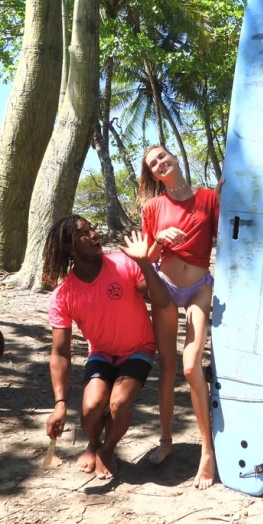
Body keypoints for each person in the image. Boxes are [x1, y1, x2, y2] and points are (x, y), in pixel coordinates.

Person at [43, 215, 170, 480]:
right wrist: (60, 404)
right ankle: (93, 443)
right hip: (101, 353)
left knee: (119, 402)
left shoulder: (123, 263)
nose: (94, 234)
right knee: (90, 408)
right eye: (84, 232)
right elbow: (60, 352)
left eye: (92, 228)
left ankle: (107, 449)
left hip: (139, 348)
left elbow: (161, 300)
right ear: (68, 247)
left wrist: (144, 262)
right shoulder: (63, 294)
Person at [138, 145, 222, 490]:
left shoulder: (208, 199)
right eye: (153, 164)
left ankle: (207, 451)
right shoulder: (153, 207)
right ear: (153, 175)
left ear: (173, 157)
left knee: (191, 367)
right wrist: (159, 239)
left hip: (200, 288)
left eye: (162, 156)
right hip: (166, 288)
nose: (160, 163)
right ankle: (166, 440)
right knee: (168, 368)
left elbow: (227, 237)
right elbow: (146, 257)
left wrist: (225, 196)